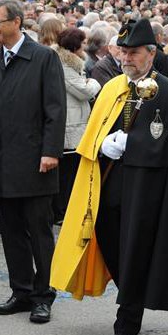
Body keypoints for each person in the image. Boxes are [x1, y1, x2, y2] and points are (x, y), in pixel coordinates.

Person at [50, 19, 168, 335]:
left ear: (151, 54)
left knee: (137, 251)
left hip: (147, 190)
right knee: (111, 244)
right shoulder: (113, 87)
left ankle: (127, 320)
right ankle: (129, 291)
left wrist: (136, 144)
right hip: (109, 183)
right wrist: (103, 145)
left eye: (135, 53)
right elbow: (94, 135)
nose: (127, 58)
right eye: (124, 52)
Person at [0, 0, 66, 324]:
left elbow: (55, 110)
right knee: (11, 231)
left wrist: (50, 151)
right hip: (2, 162)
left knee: (39, 232)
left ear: (17, 22)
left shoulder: (43, 58)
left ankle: (44, 296)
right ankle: (21, 291)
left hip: (36, 162)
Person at [52, 27, 100, 225]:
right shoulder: (64, 65)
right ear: (74, 45)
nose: (86, 46)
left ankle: (63, 209)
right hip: (70, 125)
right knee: (66, 173)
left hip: (75, 121)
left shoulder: (71, 63)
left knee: (69, 172)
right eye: (83, 42)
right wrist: (94, 82)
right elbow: (84, 90)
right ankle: (61, 211)